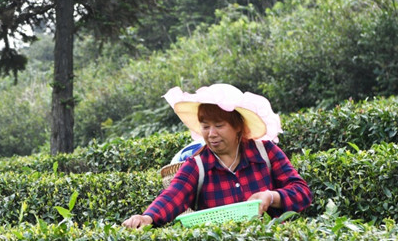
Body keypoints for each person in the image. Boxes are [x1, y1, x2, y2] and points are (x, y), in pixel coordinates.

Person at [122, 84, 312, 228]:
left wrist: (270, 197)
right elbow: (173, 196)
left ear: (238, 126)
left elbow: (302, 192)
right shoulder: (197, 165)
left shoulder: (265, 152)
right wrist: (146, 217)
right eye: (205, 127)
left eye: (219, 126)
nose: (211, 134)